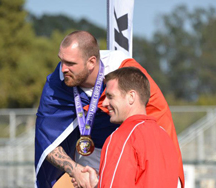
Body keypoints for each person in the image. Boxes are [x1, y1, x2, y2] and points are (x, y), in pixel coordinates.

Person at [34, 30, 184, 188]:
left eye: (71, 63)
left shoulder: (122, 71)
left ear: (92, 62)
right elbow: (46, 138)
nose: (63, 68)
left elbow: (158, 120)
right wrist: (75, 170)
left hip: (126, 151)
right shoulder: (56, 85)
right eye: (61, 60)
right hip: (86, 158)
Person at [72, 67, 179, 188]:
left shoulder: (122, 137)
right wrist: (98, 184)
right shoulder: (164, 136)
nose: (105, 103)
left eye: (110, 96)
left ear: (131, 97)